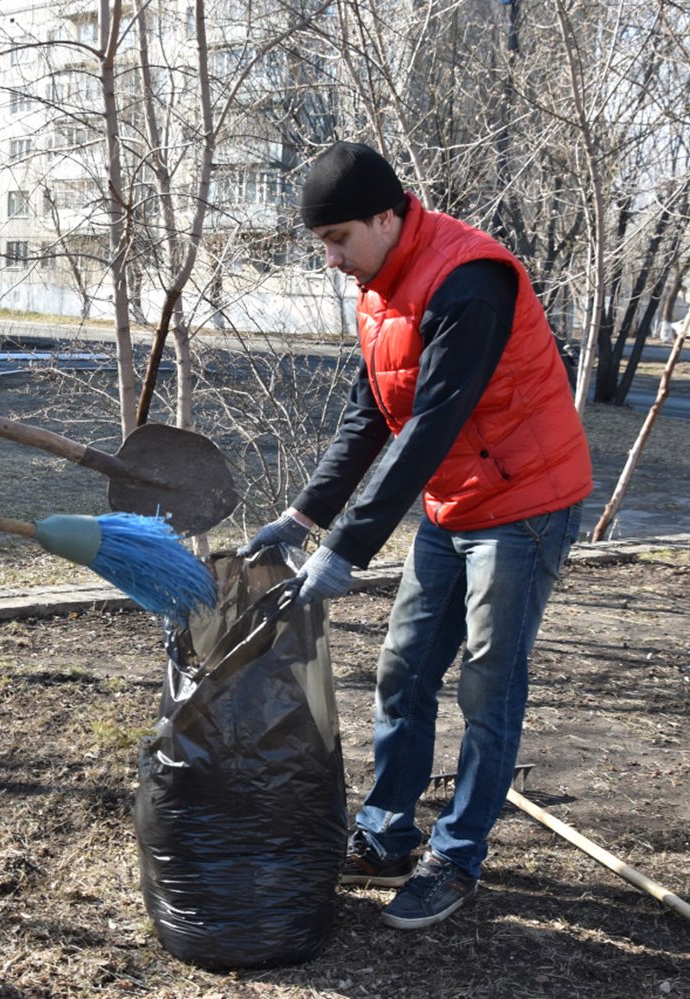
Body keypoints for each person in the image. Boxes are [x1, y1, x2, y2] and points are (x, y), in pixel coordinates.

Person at [241, 141, 592, 931]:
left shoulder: (470, 279)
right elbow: (371, 414)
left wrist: (345, 548)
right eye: (322, 243)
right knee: (404, 668)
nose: (331, 259)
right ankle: (386, 835)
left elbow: (432, 425)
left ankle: (457, 857)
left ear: (385, 216)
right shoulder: (379, 289)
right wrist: (302, 517)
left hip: (525, 502)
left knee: (488, 683)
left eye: (338, 239)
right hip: (454, 503)